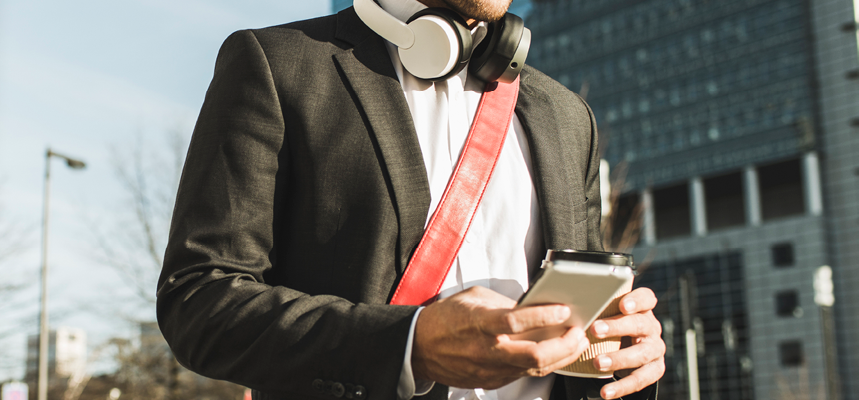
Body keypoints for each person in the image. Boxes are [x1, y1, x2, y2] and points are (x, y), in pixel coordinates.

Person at [156, 0, 666, 399]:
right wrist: (409, 345)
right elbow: (199, 299)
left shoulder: (568, 115)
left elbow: (587, 321)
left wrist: (623, 350)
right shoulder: (277, 64)